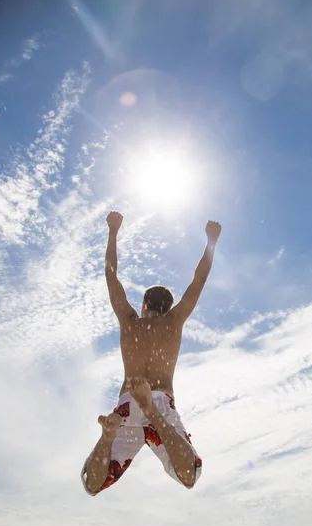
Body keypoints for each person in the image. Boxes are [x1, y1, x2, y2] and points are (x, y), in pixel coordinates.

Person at [81, 211, 222, 496]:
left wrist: (113, 232)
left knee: (91, 483)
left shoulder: (130, 322)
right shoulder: (173, 322)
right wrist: (211, 241)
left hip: (127, 403)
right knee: (189, 475)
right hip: (159, 401)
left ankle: (108, 437)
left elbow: (111, 276)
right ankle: (152, 412)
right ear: (168, 307)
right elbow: (198, 281)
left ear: (144, 304)